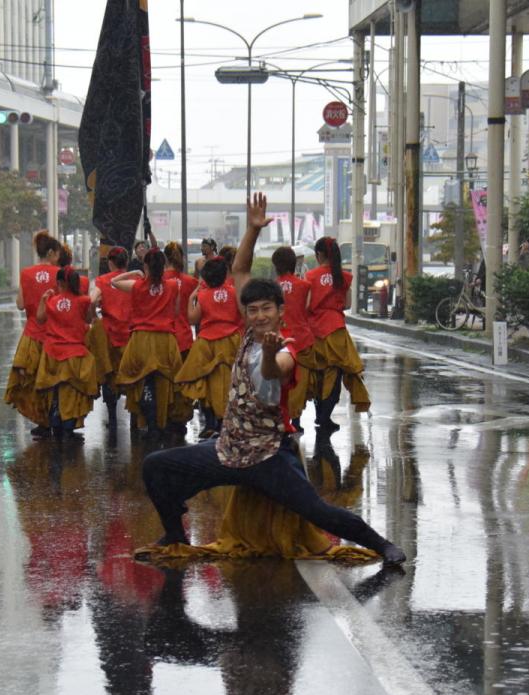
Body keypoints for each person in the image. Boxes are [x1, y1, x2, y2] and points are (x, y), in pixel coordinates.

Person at [137, 193, 406, 565]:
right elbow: (241, 272)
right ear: (246, 313)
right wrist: (251, 229)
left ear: (281, 312)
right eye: (253, 310)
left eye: (267, 309)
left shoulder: (286, 346)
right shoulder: (248, 330)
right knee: (156, 466)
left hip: (267, 457)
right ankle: (174, 531)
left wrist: (267, 353)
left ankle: (381, 544)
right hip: (228, 449)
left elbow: (273, 372)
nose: (260, 315)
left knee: (320, 514)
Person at [112, 248, 183, 433]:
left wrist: (135, 273)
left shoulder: (136, 286)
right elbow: (175, 312)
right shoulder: (174, 285)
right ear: (164, 265)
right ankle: (161, 423)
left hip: (141, 339)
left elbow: (114, 281)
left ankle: (149, 422)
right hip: (165, 340)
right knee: (165, 381)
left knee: (142, 380)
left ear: (146, 265)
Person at [307, 236, 370, 431]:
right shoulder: (343, 276)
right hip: (336, 329)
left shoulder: (310, 276)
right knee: (334, 373)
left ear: (318, 255)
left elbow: (307, 305)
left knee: (317, 372)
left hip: (315, 329)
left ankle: (319, 414)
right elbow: (348, 305)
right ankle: (325, 417)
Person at [174, 256, 243, 438]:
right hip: (231, 341)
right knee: (230, 382)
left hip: (207, 343)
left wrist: (191, 298)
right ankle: (228, 422)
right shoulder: (235, 292)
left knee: (205, 383)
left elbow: (192, 319)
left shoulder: (203, 295)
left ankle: (211, 423)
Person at [5, 231, 62, 434]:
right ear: (51, 253)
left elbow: (20, 304)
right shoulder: (60, 274)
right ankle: (56, 415)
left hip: (31, 335)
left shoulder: (26, 273)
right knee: (53, 378)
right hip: (54, 335)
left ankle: (42, 421)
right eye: (58, 253)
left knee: (33, 379)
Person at [32, 265, 99, 437]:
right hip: (74, 355)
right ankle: (69, 423)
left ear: (60, 283)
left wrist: (43, 299)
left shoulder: (52, 301)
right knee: (70, 393)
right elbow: (90, 319)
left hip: (52, 354)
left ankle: (55, 420)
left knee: (54, 391)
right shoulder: (83, 301)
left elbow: (40, 319)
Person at [272, 245, 317, 431]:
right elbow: (307, 310)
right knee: (300, 381)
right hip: (302, 339)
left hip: (281, 339)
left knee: (281, 383)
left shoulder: (272, 286)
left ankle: (283, 417)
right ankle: (296, 419)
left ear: (276, 265)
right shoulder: (305, 285)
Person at [90, 246, 133, 423]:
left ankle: (112, 415)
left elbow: (92, 300)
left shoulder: (103, 280)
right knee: (132, 374)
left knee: (110, 374)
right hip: (131, 333)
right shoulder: (134, 279)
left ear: (110, 263)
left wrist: (93, 317)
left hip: (109, 333)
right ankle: (135, 419)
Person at [163, 241, 201, 429]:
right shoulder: (190, 282)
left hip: (164, 338)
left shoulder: (157, 280)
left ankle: (165, 416)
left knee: (165, 381)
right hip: (185, 337)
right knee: (183, 381)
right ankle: (181, 417)